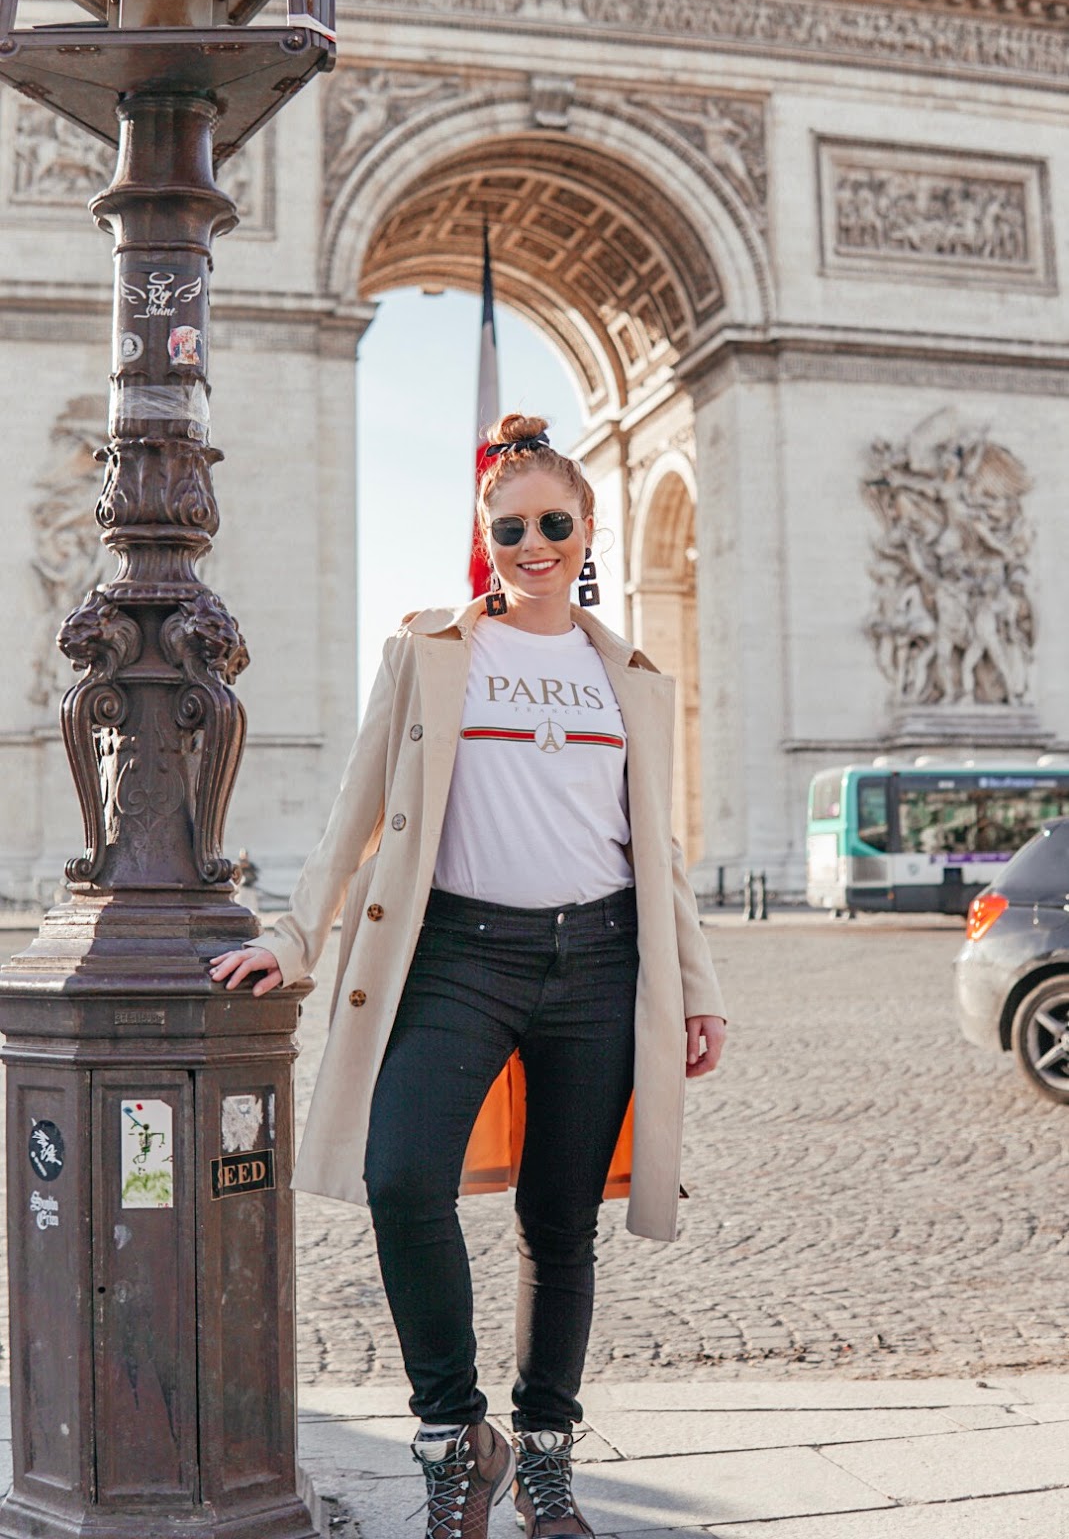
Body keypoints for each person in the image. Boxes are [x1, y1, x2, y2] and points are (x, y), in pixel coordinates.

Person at [209, 413, 727, 1539]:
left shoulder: (632, 675)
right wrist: (294, 939)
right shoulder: (428, 652)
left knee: (560, 1222)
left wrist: (695, 985)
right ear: (483, 537)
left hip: (601, 960)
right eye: (510, 529)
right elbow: (355, 812)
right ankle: (455, 1437)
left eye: (554, 525)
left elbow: (657, 847)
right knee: (402, 1180)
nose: (533, 545)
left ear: (589, 530)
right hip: (457, 957)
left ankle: (544, 1456)